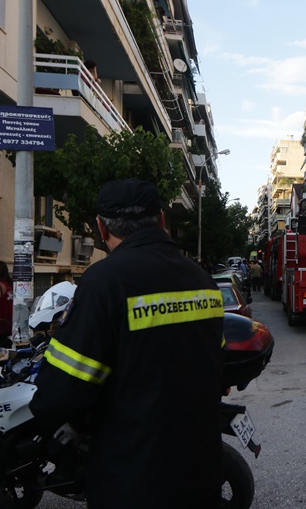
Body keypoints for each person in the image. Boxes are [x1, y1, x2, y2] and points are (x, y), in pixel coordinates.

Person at [30, 178, 225, 508]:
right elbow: (217, 362)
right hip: (202, 471)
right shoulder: (201, 279)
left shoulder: (103, 283)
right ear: (161, 220)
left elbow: (59, 393)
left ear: (101, 228)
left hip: (134, 480)